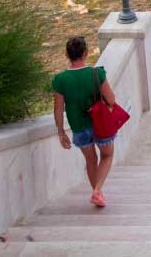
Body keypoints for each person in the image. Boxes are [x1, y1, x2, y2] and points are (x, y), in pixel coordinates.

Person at [52, 36, 118, 208]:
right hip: (100, 124)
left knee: (91, 160)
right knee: (107, 155)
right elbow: (111, 99)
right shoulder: (97, 73)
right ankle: (97, 190)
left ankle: (97, 193)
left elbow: (58, 109)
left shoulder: (60, 80)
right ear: (86, 53)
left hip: (79, 127)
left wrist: (61, 132)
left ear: (67, 54)